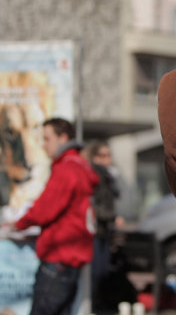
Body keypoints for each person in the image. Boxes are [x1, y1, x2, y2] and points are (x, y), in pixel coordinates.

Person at [8, 118, 99, 315]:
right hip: (71, 257)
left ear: (63, 138)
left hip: (59, 257)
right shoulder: (81, 166)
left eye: (47, 138)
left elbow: (44, 209)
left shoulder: (66, 168)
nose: (43, 144)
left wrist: (16, 225)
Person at [85, 140, 121, 310]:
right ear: (95, 157)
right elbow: (93, 205)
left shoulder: (108, 176)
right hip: (94, 230)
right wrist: (112, 217)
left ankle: (97, 304)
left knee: (103, 271)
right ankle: (92, 305)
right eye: (103, 155)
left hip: (104, 231)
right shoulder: (94, 175)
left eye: (109, 155)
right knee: (96, 272)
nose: (108, 159)